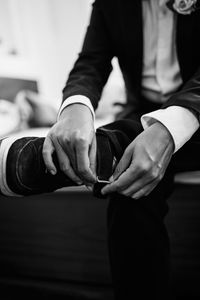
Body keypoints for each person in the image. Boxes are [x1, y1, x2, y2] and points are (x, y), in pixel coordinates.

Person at [2, 0, 200, 298]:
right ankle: (106, 151)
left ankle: (94, 153)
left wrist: (168, 128)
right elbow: (91, 62)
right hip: (139, 114)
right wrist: (75, 108)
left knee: (125, 150)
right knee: (128, 185)